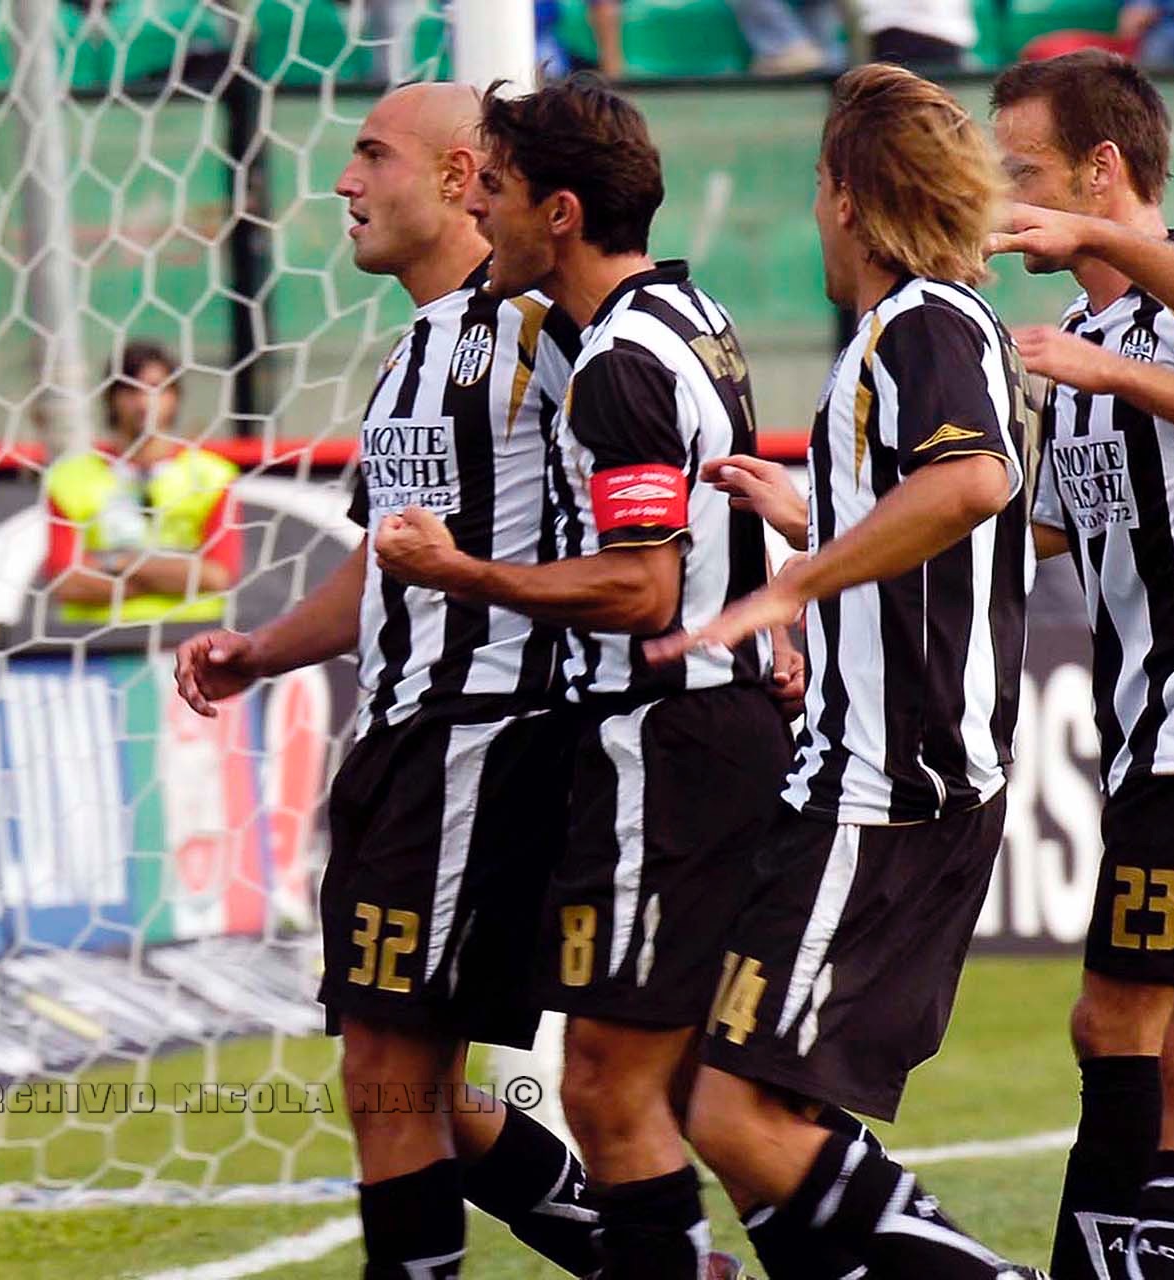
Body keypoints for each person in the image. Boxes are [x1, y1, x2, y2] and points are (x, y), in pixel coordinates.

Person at [174, 82, 598, 1279]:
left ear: (463, 176)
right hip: (405, 734)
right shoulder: (420, 344)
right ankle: (648, 1255)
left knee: (392, 1072)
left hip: (486, 734)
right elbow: (387, 555)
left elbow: (656, 495)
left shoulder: (547, 331)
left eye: (372, 156)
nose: (345, 183)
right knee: (409, 1079)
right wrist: (265, 647)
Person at [374, 73, 791, 1278]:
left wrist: (462, 571)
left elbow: (641, 587)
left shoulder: (616, 359)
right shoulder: (687, 315)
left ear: (558, 212)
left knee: (616, 1083)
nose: (479, 214)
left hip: (673, 734)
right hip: (694, 730)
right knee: (676, 1082)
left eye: (496, 191)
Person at [646, 63, 1048, 1278]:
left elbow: (971, 481)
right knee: (751, 1101)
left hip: (886, 785)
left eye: (822, 184)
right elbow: (935, 515)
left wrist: (793, 583)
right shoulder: (920, 327)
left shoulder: (923, 321)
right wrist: (815, 514)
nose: (816, 211)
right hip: (869, 774)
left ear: (851, 201)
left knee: (734, 1112)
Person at [989, 51, 1174, 1280]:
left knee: (1153, 1032)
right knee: (1125, 1026)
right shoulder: (1076, 342)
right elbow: (1041, 531)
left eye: (1024, 174)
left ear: (1102, 169)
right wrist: (827, 532)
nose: (1004, 203)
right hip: (1145, 734)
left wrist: (1123, 375)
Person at [41, 341, 243, 626]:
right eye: (130, 390)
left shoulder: (211, 476)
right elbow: (66, 584)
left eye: (156, 387)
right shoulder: (70, 478)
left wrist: (118, 563)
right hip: (100, 639)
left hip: (190, 634)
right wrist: (174, 578)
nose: (144, 402)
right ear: (111, 397)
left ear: (175, 396)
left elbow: (217, 576)